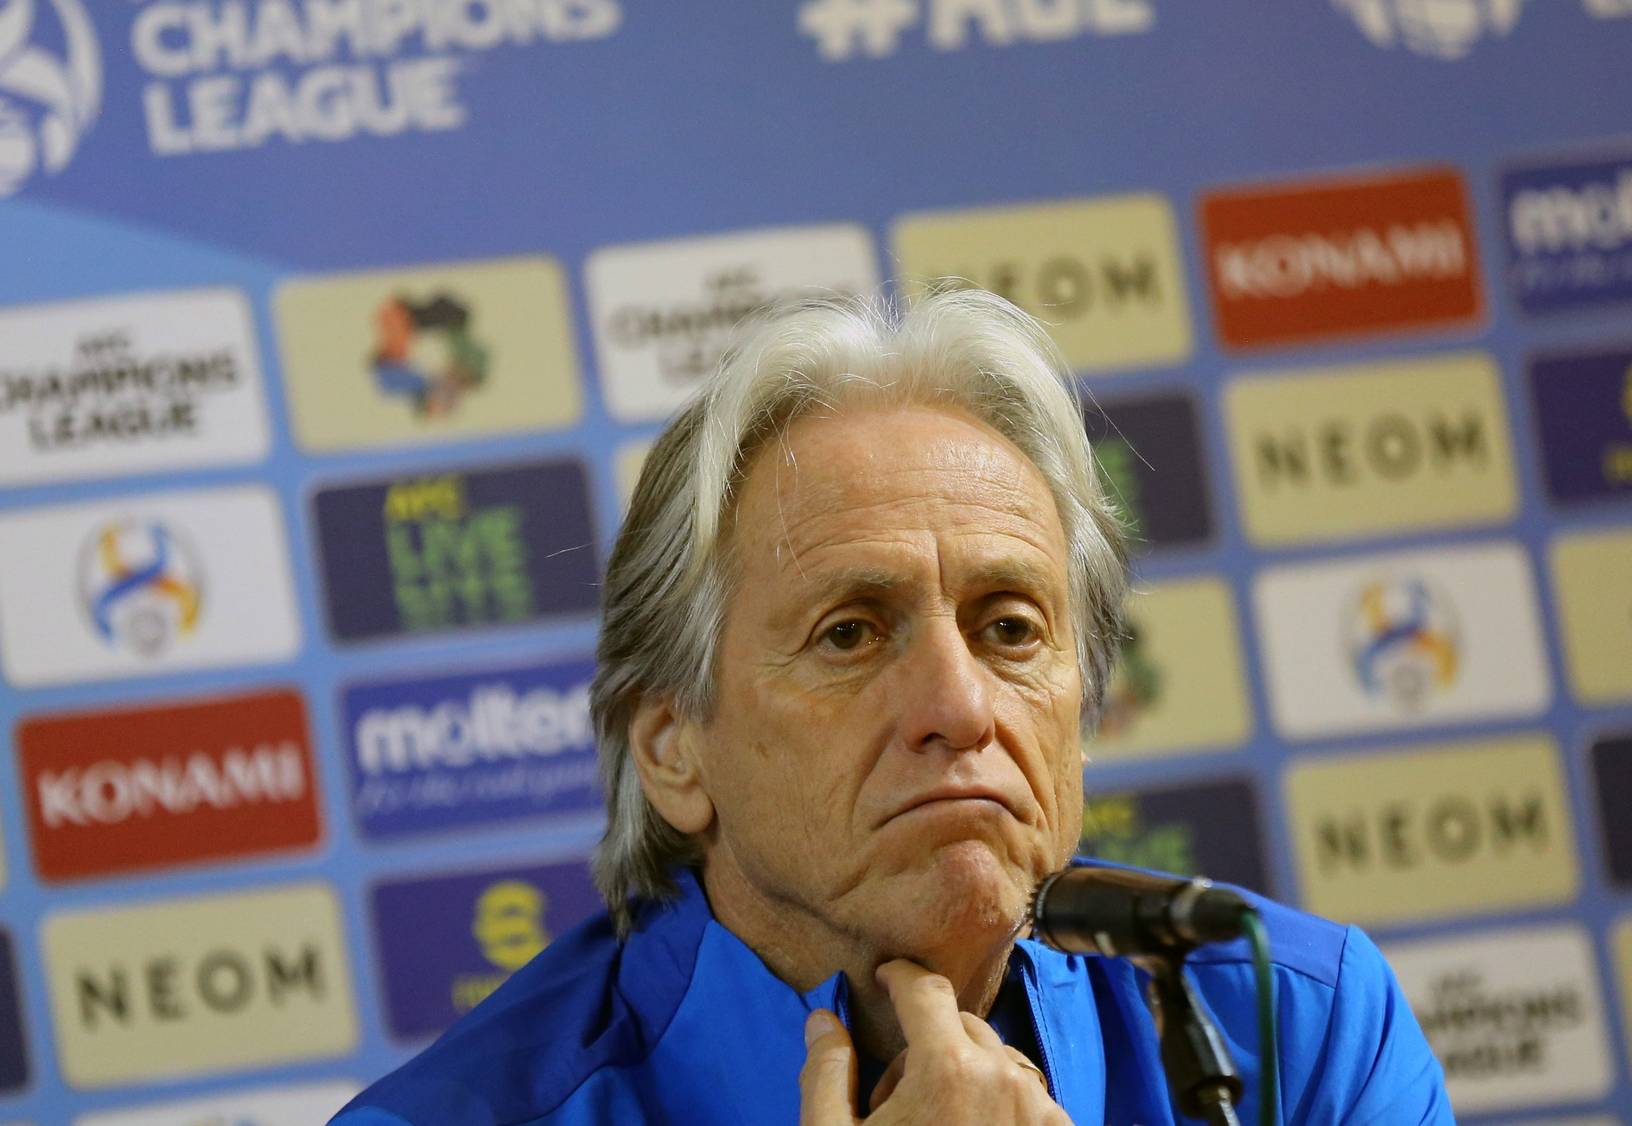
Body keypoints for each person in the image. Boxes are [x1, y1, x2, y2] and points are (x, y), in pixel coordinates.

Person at [333, 290, 1452, 1125]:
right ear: (673, 747)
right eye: (851, 634)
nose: (959, 706)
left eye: (1009, 626)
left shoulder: (1291, 1024)